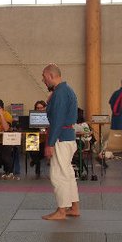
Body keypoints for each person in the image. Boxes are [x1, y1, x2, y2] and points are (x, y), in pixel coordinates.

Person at [40, 64, 80, 221]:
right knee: (68, 174)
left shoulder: (60, 93)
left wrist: (50, 143)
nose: (43, 80)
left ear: (51, 75)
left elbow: (57, 120)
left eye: (44, 77)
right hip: (67, 136)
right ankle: (74, 207)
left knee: (58, 175)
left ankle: (61, 210)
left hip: (61, 137)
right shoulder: (65, 90)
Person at [28, 100, 47, 178]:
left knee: (40, 153)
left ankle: (35, 162)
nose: (39, 110)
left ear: (45, 108)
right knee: (31, 147)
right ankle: (35, 163)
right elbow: (30, 129)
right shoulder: (32, 117)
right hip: (34, 137)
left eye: (41, 108)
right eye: (37, 108)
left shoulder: (49, 116)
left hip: (45, 139)